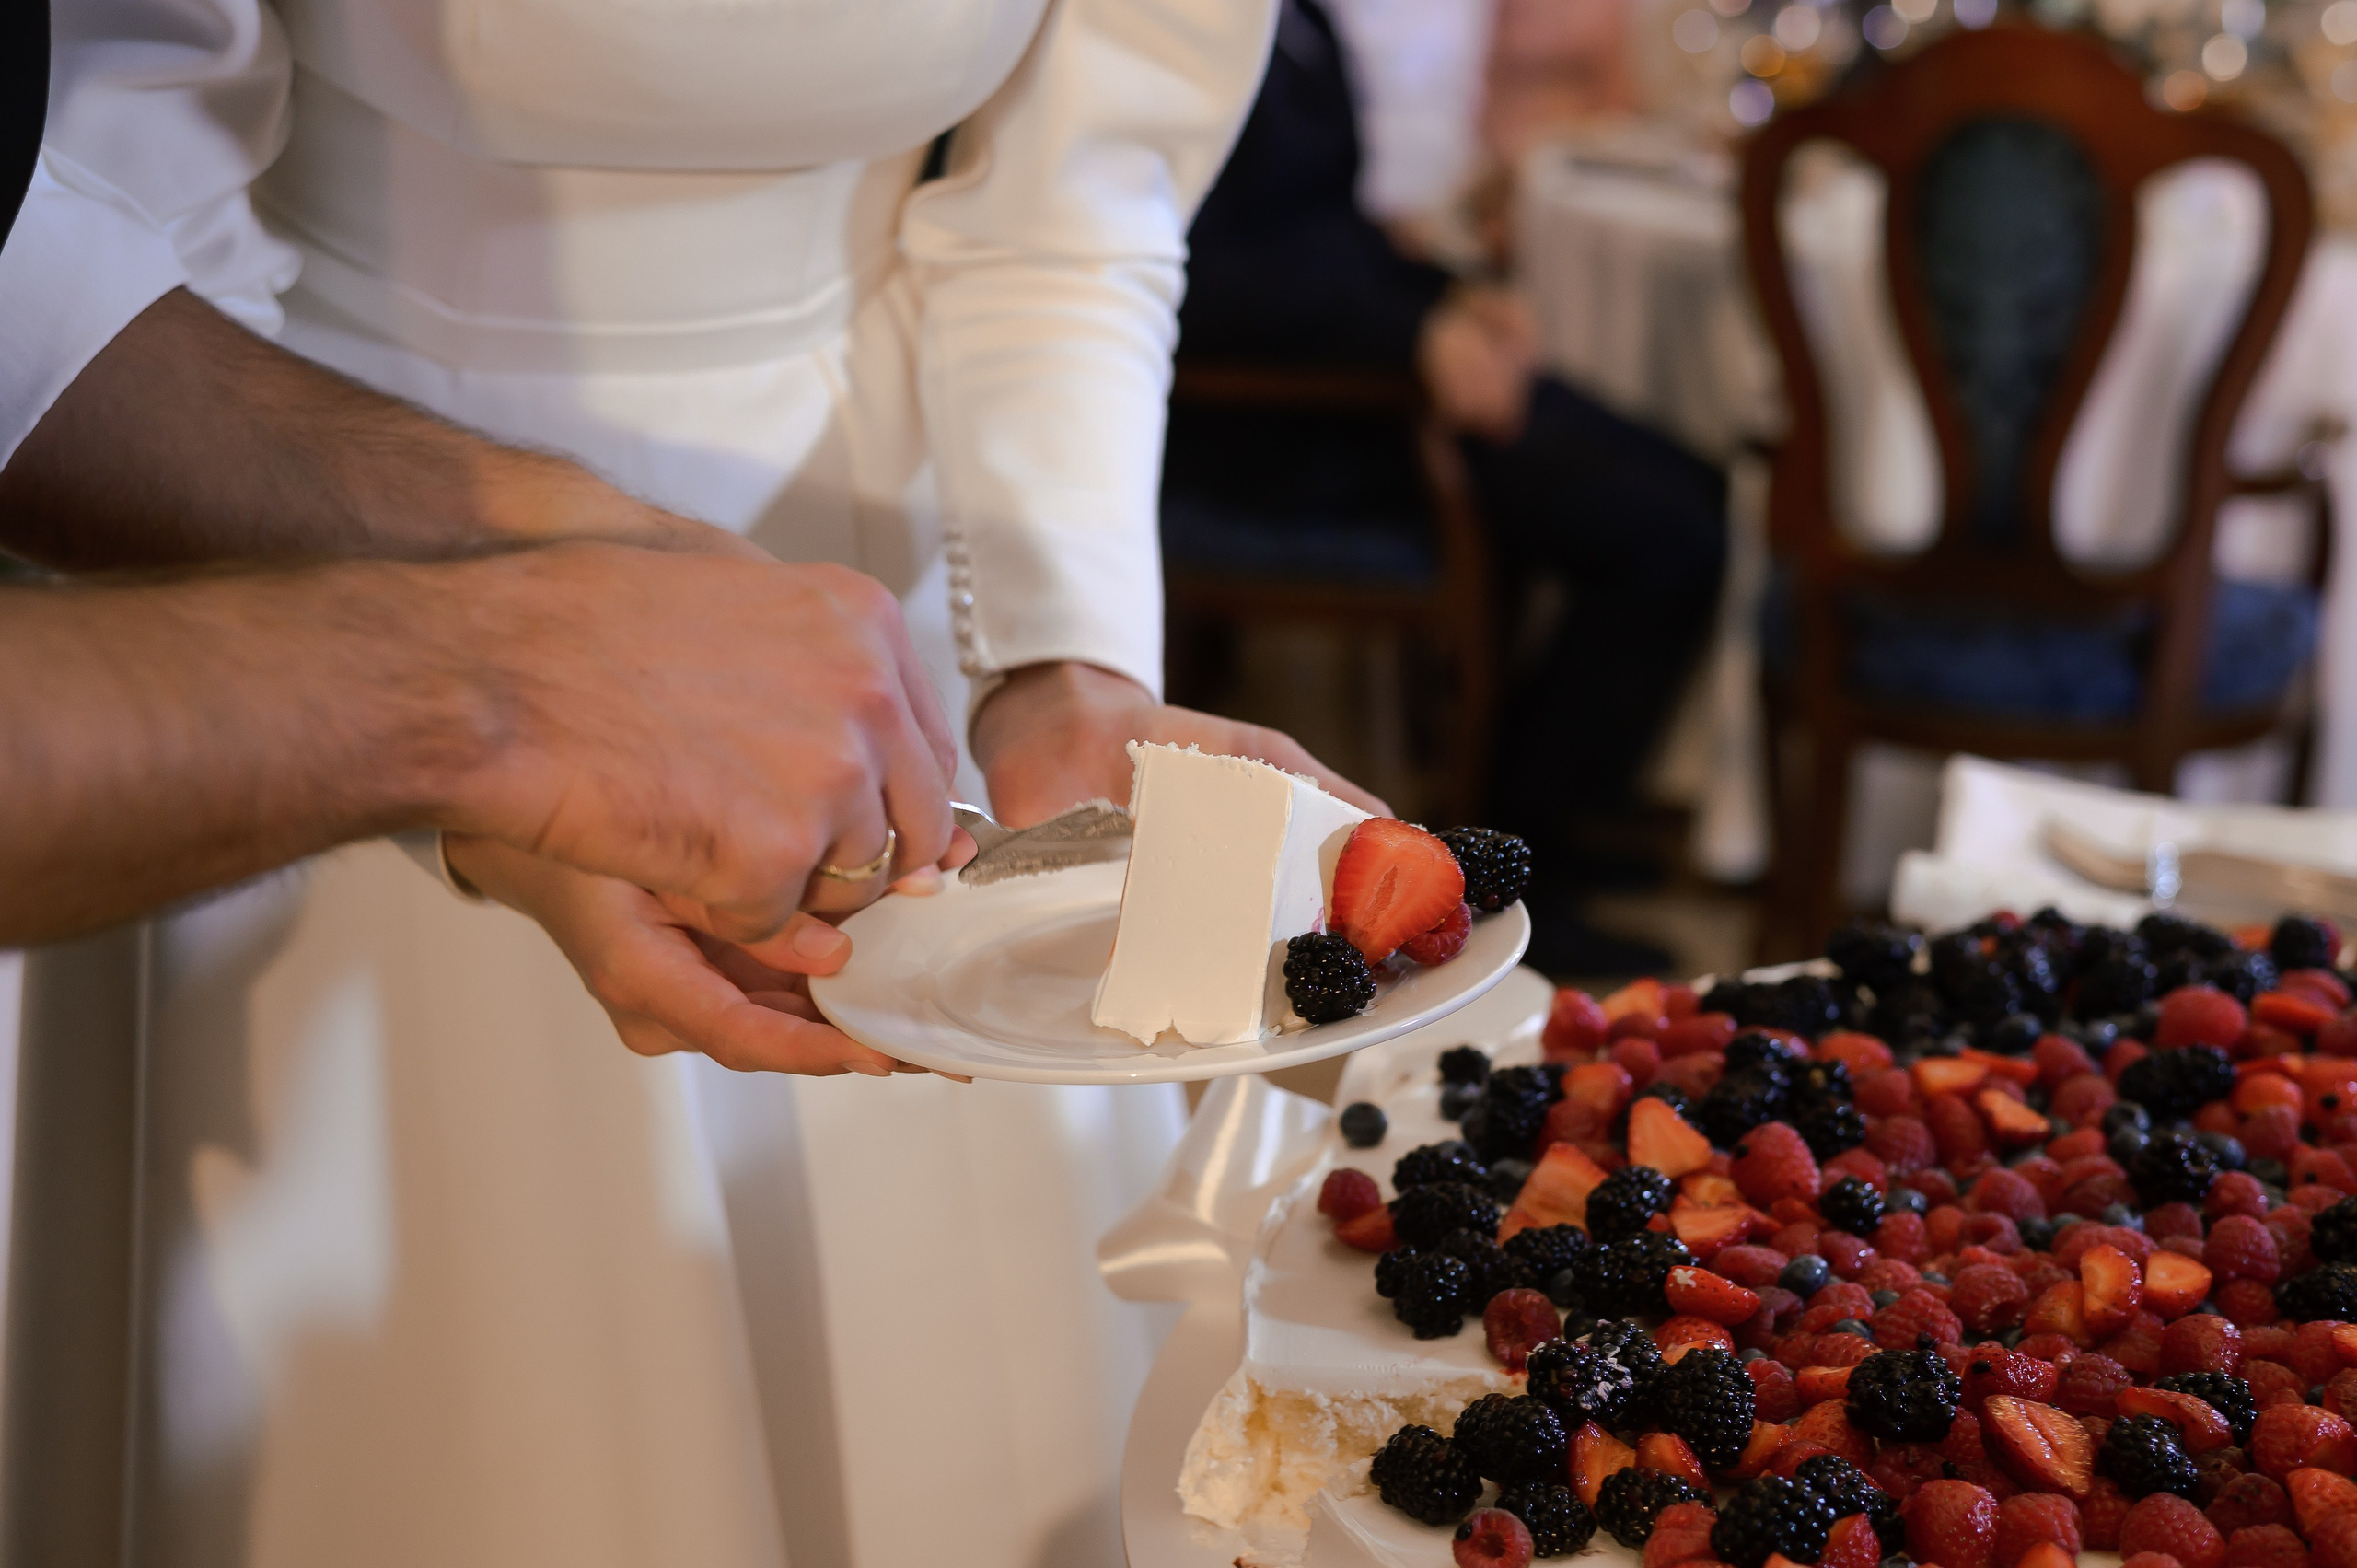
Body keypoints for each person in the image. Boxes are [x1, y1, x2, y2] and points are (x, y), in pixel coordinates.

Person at [0, 2, 1376, 1563]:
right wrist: (486, 672)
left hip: (897, 579)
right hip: (293, 521)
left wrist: (1065, 659)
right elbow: (90, 229)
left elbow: (1076, 208)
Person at [1167, 0, 1728, 977]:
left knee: (1692, 488)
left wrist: (1452, 294)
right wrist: (1414, 336)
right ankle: (1523, 852)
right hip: (1289, 422)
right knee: (1665, 537)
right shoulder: (1166, 31)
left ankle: (1558, 818)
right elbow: (1197, 273)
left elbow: (1319, 230)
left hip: (1365, 369)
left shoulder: (1291, 15)